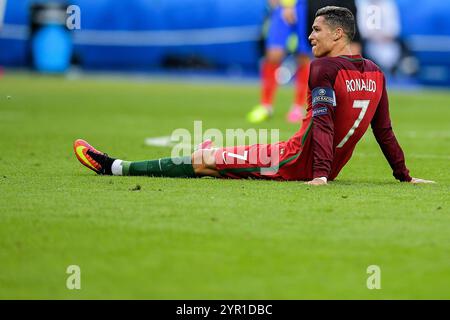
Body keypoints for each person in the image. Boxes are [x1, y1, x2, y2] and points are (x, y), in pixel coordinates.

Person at [74, 6, 434, 186]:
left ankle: (115, 167)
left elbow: (322, 126)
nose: (309, 36)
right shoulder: (374, 73)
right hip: (317, 161)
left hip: (294, 161)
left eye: (316, 30)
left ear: (339, 34)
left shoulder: (324, 69)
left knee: (204, 159)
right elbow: (383, 130)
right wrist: (403, 175)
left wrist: (319, 175)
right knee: (213, 158)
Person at [247, 0, 311, 124]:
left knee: (303, 55)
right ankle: (266, 106)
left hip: (304, 6)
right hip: (281, 6)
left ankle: (298, 107)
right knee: (273, 54)